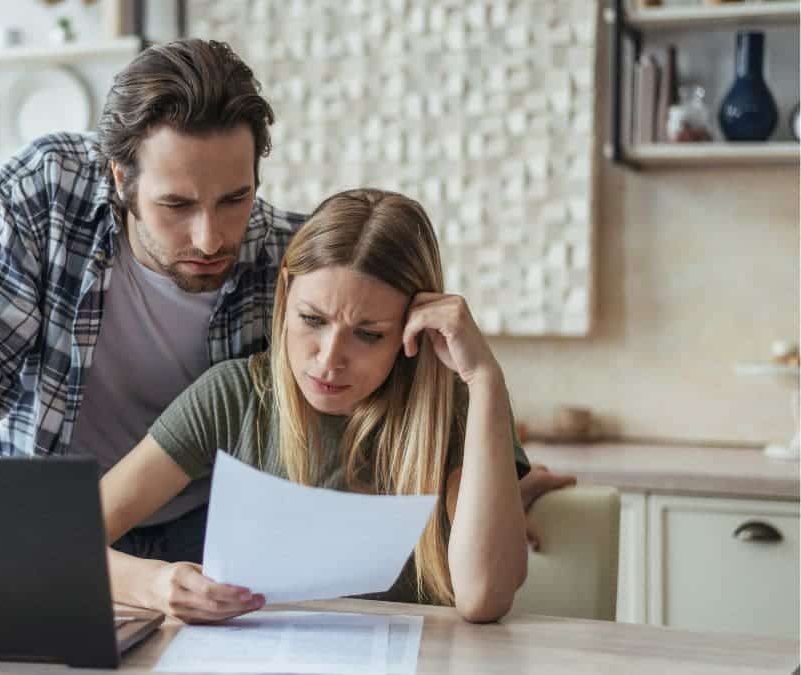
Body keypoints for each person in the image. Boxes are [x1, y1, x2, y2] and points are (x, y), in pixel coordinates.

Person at [0, 39, 572, 564]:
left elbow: (405, 374)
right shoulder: (43, 194)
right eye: (176, 204)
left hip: (212, 534)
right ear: (119, 177)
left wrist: (487, 487)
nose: (212, 236)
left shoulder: (290, 260)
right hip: (55, 523)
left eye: (234, 199)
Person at [102, 189, 531, 624]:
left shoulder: (457, 410)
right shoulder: (233, 397)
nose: (328, 361)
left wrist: (485, 379)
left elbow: (484, 598)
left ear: (414, 328)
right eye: (312, 320)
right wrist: (155, 585)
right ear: (286, 291)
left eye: (368, 334)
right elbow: (64, 542)